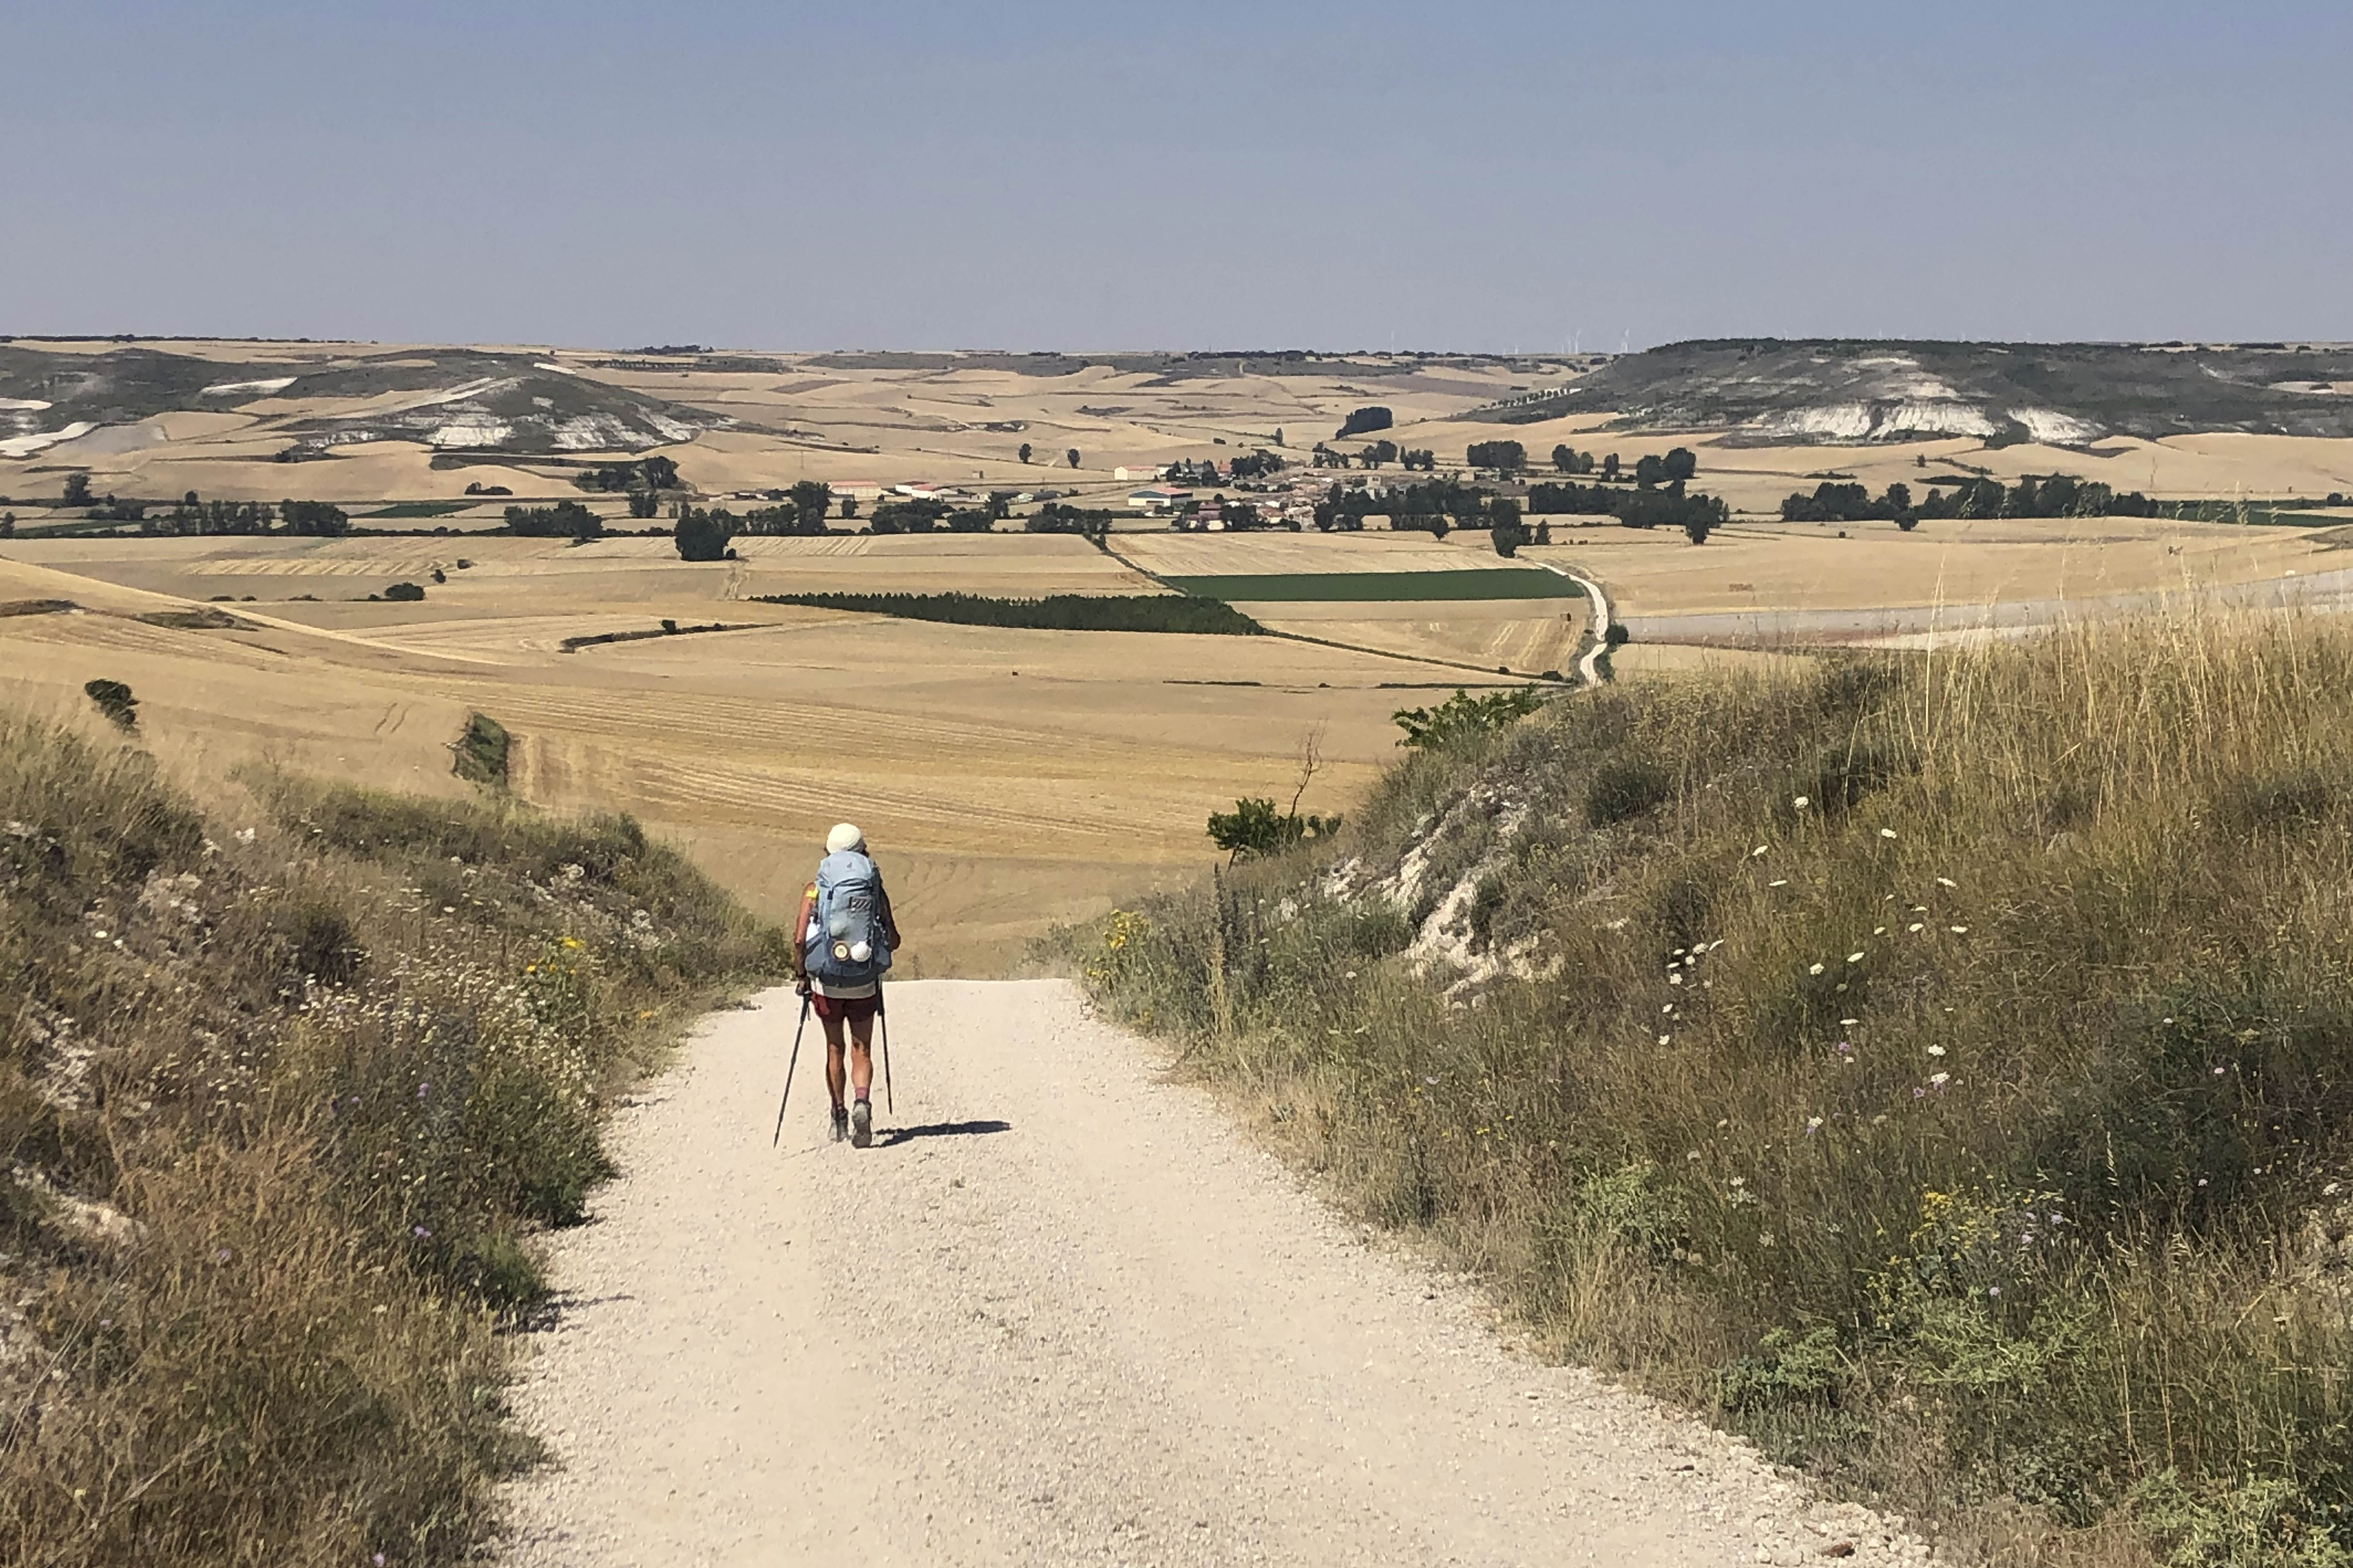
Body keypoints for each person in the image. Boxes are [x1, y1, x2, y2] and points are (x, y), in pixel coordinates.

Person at [792, 823, 902, 1147]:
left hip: (826, 982)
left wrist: (802, 975)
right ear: (863, 852)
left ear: (828, 853)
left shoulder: (813, 890)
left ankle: (838, 1116)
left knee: (834, 1048)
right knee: (861, 1049)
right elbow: (893, 939)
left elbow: (799, 939)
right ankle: (862, 1102)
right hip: (864, 981)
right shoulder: (874, 889)